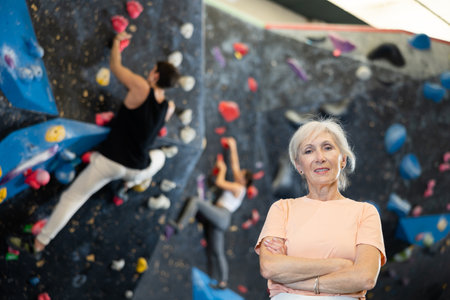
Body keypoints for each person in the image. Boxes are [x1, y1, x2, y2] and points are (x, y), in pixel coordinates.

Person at [10, 31, 180, 258]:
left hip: (111, 161)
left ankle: (40, 244)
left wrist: (117, 44)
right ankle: (129, 185)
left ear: (156, 75)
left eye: (153, 70)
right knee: (160, 157)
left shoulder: (141, 86)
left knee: (72, 198)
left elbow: (116, 67)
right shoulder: (168, 107)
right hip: (137, 167)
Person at [255, 118, 386, 300]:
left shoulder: (365, 212)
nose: (320, 158)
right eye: (309, 151)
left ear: (343, 159)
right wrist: (339, 265)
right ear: (299, 165)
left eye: (328, 148)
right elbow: (269, 267)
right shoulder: (281, 209)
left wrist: (300, 282)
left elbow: (365, 277)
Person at [170, 137, 253, 289]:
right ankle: (223, 281)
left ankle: (179, 225)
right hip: (221, 217)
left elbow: (219, 182)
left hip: (221, 214)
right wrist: (233, 146)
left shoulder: (239, 188)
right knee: (217, 251)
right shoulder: (239, 185)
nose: (238, 172)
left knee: (195, 201)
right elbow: (235, 164)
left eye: (241, 174)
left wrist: (222, 170)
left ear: (244, 181)